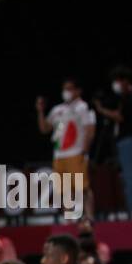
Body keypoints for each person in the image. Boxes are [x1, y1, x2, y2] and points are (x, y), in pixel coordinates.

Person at [36, 78, 95, 219]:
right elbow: (45, 128)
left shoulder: (83, 107)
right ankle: (69, 218)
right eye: (65, 89)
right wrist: (40, 112)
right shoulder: (58, 110)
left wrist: (84, 152)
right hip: (59, 155)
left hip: (76, 153)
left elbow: (90, 130)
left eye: (70, 89)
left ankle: (89, 217)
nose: (66, 92)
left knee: (83, 188)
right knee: (64, 190)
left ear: (78, 91)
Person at [93, 66, 132, 217]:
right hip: (125, 141)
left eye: (117, 81)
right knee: (127, 177)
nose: (115, 85)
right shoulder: (123, 97)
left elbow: (119, 117)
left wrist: (101, 110)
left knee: (130, 176)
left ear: (125, 81)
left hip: (130, 141)